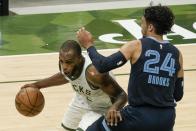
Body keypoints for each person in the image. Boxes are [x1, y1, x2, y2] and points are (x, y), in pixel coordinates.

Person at [77, 5, 184, 131]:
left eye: (142, 23)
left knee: (95, 129)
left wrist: (88, 45)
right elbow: (178, 95)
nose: (141, 26)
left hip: (138, 117)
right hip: (167, 119)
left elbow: (102, 65)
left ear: (150, 27)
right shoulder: (177, 54)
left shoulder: (137, 46)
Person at [21, 40, 127, 131]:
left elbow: (122, 95)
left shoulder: (94, 73)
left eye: (68, 62)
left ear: (80, 59)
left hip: (103, 108)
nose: (64, 67)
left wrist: (114, 108)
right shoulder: (65, 65)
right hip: (83, 99)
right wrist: (37, 85)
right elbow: (63, 76)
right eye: (61, 61)